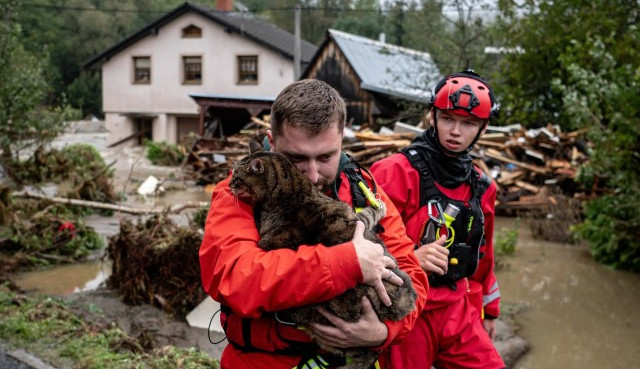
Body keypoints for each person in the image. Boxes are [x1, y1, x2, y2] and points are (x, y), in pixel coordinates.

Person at [199, 79, 428, 369]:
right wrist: (348, 263)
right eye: (295, 158)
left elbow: (413, 278)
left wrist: (382, 333)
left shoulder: (365, 191)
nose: (312, 174)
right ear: (272, 141)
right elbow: (237, 278)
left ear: (342, 142)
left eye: (326, 156)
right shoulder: (239, 196)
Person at [370, 70, 505, 369]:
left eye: (468, 123)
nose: (455, 131)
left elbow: (484, 256)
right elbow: (361, 247)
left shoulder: (483, 186)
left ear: (483, 127)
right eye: (447, 119)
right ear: (432, 116)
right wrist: (412, 259)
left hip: (458, 307)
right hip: (406, 308)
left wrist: (490, 311)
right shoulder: (394, 172)